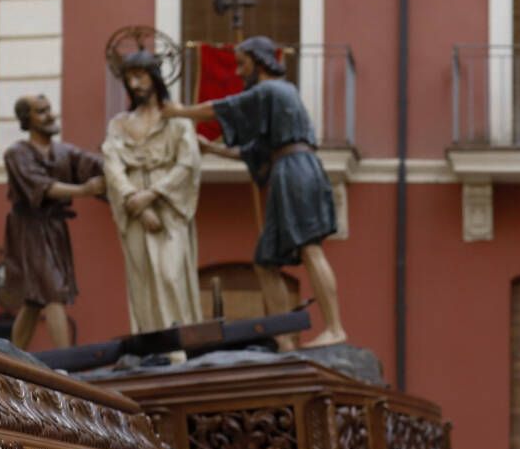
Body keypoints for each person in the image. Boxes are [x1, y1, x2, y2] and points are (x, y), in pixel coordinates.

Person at [163, 35, 344, 346]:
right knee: (265, 261)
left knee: (310, 248)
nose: (237, 72)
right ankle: (284, 340)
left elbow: (222, 108)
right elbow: (254, 151)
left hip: (295, 172)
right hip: (288, 171)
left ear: (259, 62)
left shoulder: (272, 89)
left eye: (242, 64)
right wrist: (212, 150)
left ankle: (335, 328)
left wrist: (178, 112)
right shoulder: (276, 101)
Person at [103, 50, 203, 335]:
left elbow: (187, 163)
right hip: (134, 207)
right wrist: (135, 200)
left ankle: (181, 343)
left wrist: (154, 194)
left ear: (155, 77)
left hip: (169, 206)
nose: (134, 84)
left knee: (171, 274)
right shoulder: (120, 124)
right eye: (129, 79)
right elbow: (112, 165)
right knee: (141, 277)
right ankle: (151, 344)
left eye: (140, 76)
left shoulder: (177, 119)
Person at [3, 93, 104, 350]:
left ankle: (11, 360)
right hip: (29, 228)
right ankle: (66, 367)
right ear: (27, 119)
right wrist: (84, 191)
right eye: (41, 111)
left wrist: (117, 160)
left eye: (49, 109)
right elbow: (41, 187)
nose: (50, 114)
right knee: (53, 292)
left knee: (35, 300)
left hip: (54, 228)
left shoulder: (64, 152)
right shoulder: (17, 153)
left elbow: (93, 165)